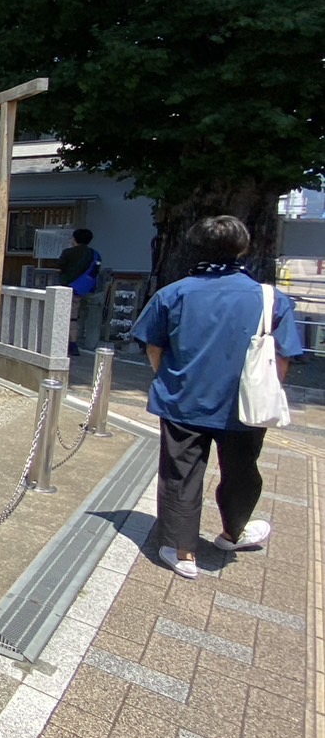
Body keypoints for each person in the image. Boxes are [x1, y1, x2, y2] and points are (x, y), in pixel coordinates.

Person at [131, 215, 303, 579]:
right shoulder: (270, 298)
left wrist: (169, 378)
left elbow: (154, 348)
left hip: (183, 399)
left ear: (196, 248)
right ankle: (233, 532)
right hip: (245, 405)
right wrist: (267, 391)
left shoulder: (173, 293)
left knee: (180, 474)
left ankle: (182, 551)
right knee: (242, 471)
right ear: (243, 248)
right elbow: (284, 357)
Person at [56, 228, 103, 356]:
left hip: (67, 287)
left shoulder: (68, 253)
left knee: (65, 317)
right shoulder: (94, 254)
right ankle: (73, 343)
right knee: (74, 318)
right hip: (84, 289)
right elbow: (96, 271)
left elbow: (60, 266)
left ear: (74, 239)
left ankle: (66, 344)